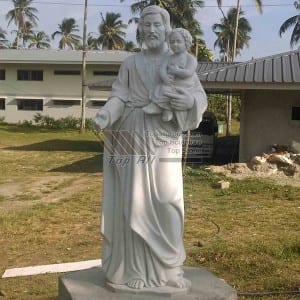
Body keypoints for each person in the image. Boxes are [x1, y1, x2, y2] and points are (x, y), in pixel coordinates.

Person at [94, 5, 207, 290]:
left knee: (168, 201)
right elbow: (119, 95)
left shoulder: (180, 59)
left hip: (165, 138)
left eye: (156, 24)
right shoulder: (131, 63)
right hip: (131, 136)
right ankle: (136, 270)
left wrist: (190, 103)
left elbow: (197, 96)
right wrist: (107, 113)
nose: (151, 30)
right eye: (146, 25)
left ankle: (169, 268)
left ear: (167, 28)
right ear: (140, 29)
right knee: (135, 201)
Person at [143, 28, 198, 123]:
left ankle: (169, 110)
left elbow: (189, 72)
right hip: (169, 83)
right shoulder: (169, 57)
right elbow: (162, 69)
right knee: (161, 90)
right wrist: (165, 78)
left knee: (174, 95)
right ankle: (164, 109)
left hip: (183, 85)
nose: (175, 44)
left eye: (178, 42)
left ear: (186, 43)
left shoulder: (190, 59)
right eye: (172, 42)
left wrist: (177, 71)